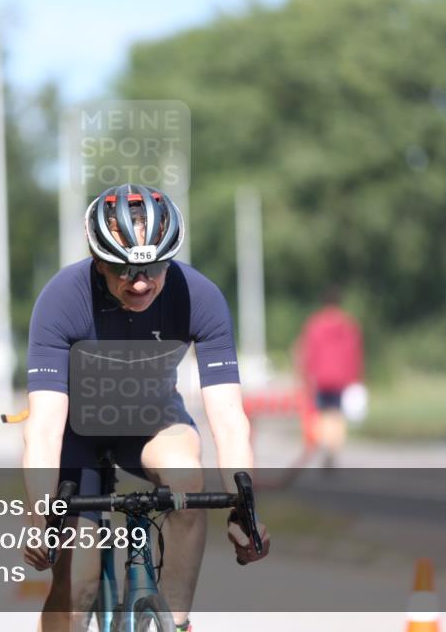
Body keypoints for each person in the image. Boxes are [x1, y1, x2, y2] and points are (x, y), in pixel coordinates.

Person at [22, 184, 269, 632]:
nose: (140, 282)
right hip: (78, 433)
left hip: (152, 423)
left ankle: (174, 622)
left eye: (153, 266)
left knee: (187, 483)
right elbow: (42, 429)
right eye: (122, 269)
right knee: (77, 585)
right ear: (97, 260)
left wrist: (243, 512)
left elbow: (230, 420)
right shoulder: (62, 299)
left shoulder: (200, 297)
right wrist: (39, 517)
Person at [296, 287, 364, 469]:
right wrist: (356, 376)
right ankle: (334, 448)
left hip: (321, 376)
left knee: (322, 413)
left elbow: (308, 352)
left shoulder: (315, 324)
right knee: (337, 414)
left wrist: (304, 375)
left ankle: (326, 444)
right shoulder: (349, 324)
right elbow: (355, 353)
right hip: (342, 377)